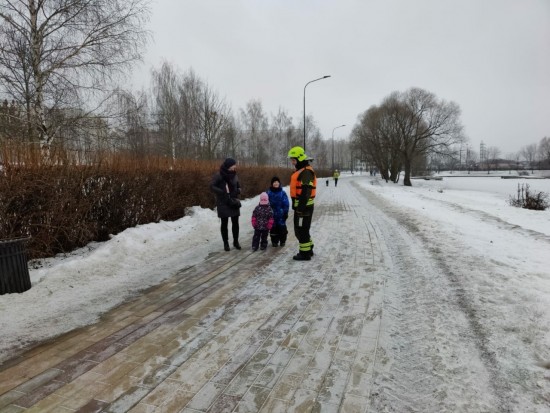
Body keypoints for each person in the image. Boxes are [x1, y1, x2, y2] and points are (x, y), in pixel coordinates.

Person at [287, 146, 317, 261]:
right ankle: (308, 248)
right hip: (302, 206)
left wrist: (300, 207)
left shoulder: (306, 172)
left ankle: (304, 254)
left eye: (293, 160)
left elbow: (306, 192)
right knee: (302, 229)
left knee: (301, 230)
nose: (292, 162)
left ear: (300, 159)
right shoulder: (301, 171)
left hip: (304, 207)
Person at [210, 158, 242, 251]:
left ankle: (236, 242)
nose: (235, 166)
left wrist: (239, 190)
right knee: (224, 223)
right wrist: (222, 192)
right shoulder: (219, 175)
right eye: (234, 165)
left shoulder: (235, 174)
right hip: (223, 202)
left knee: (235, 223)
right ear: (229, 166)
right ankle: (226, 243)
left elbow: (238, 185)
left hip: (233, 201)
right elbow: (212, 186)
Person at [267, 176, 289, 247]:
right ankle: (274, 241)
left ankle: (283, 241)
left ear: (279, 183)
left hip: (281, 215)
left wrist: (285, 212)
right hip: (272, 215)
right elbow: (266, 204)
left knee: (282, 228)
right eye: (274, 182)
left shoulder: (283, 193)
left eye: (277, 182)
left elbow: (286, 203)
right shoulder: (268, 193)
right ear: (272, 184)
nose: (276, 183)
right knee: (273, 229)